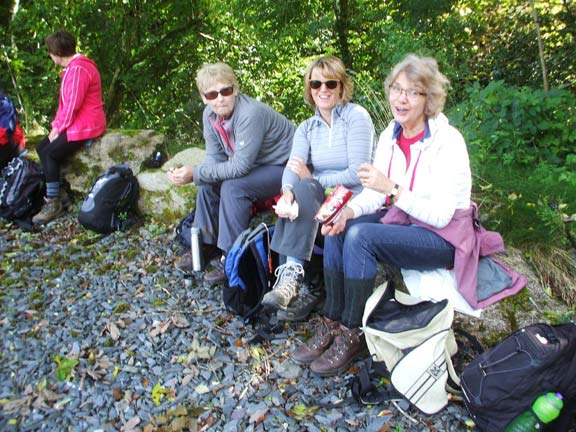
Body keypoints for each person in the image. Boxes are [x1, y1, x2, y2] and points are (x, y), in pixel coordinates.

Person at [291, 54, 472, 376]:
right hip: (402, 220)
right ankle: (331, 321)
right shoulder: (392, 133)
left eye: (413, 92)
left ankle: (353, 331)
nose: (401, 99)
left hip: (442, 237)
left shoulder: (448, 141)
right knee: (339, 226)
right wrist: (348, 211)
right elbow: (375, 193)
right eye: (396, 89)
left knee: (361, 236)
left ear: (429, 99)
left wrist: (393, 189)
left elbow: (441, 216)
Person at [261, 55, 375, 321]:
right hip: (316, 203)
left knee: (309, 185)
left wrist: (312, 178)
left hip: (351, 202)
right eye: (316, 84)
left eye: (330, 84)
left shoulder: (356, 117)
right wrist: (288, 192)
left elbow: (357, 174)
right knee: (300, 190)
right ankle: (290, 281)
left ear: (341, 87)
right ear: (309, 89)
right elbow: (293, 166)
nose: (322, 90)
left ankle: (291, 279)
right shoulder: (306, 128)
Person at [168, 62, 295, 284]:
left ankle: (232, 255)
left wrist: (195, 173)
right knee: (207, 183)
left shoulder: (249, 114)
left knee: (233, 186)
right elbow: (214, 159)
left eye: (225, 91)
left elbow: (240, 168)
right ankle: (206, 246)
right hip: (259, 165)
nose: (220, 98)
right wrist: (199, 175)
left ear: (235, 89)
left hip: (286, 168)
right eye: (212, 94)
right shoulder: (210, 116)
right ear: (204, 97)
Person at [32, 30, 106, 224]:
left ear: (56, 53)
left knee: (50, 153)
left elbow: (73, 104)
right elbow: (65, 105)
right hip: (76, 123)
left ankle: (54, 203)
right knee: (41, 147)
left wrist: (59, 128)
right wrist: (56, 126)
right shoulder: (72, 68)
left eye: (50, 51)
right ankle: (60, 192)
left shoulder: (78, 69)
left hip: (86, 125)